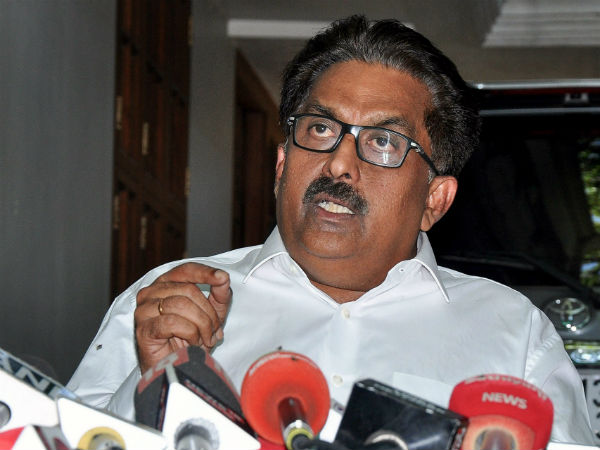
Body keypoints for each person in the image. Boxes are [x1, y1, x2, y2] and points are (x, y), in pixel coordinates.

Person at [67, 15, 596, 445]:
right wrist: (153, 382)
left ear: (434, 200)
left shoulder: (514, 334)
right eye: (320, 128)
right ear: (281, 166)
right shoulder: (172, 301)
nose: (339, 164)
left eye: (384, 142)